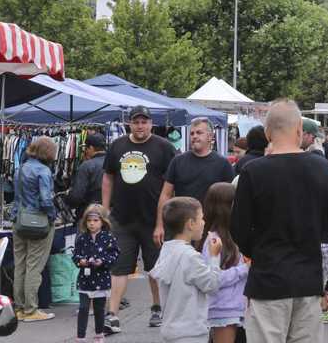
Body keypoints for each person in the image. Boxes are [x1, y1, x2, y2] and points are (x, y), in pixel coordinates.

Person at [230, 99, 328, 343]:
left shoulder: (252, 172)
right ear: (299, 128)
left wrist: (259, 251)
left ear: (268, 132)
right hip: (308, 282)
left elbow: (239, 228)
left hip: (267, 280)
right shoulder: (321, 169)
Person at [102, 105, 178, 333]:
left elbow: (171, 185)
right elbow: (108, 177)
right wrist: (104, 209)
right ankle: (112, 315)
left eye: (144, 122)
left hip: (152, 220)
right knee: (119, 267)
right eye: (136, 122)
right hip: (122, 219)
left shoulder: (164, 147)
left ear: (151, 124)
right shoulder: (117, 146)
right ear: (130, 124)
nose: (140, 126)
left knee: (155, 269)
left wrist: (162, 222)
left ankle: (158, 307)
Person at [150, 197, 222, 343]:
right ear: (190, 224)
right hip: (191, 332)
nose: (204, 222)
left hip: (170, 329)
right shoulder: (190, 256)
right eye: (201, 218)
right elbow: (212, 285)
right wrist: (215, 257)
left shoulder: (166, 250)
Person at [156, 118, 234, 246]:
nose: (194, 136)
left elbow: (230, 200)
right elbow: (165, 194)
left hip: (210, 230)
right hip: (180, 229)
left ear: (210, 137)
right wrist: (159, 225)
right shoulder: (178, 161)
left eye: (199, 133)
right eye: (192, 133)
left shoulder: (223, 164)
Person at [13, 136, 59, 322]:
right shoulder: (43, 171)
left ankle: (20, 308)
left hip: (18, 220)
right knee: (34, 266)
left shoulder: (20, 168)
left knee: (20, 265)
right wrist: (52, 216)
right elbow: (46, 199)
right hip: (38, 222)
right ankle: (31, 310)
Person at [202, 183, 249, 343]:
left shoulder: (235, 235)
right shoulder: (213, 239)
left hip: (239, 308)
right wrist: (245, 269)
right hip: (223, 310)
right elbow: (213, 279)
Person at [73, 204, 120, 343]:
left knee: (99, 309)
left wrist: (103, 261)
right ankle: (80, 337)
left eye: (95, 220)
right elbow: (75, 255)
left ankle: (99, 334)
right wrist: (80, 261)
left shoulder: (108, 238)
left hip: (101, 279)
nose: (92, 224)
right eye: (89, 221)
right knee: (83, 308)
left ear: (103, 221)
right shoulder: (81, 238)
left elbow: (115, 254)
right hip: (85, 279)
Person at [66, 133, 108, 222]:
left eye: (86, 148)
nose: (85, 151)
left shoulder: (87, 166)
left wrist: (68, 198)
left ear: (91, 148)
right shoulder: (115, 163)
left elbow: (76, 196)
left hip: (89, 215)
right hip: (110, 214)